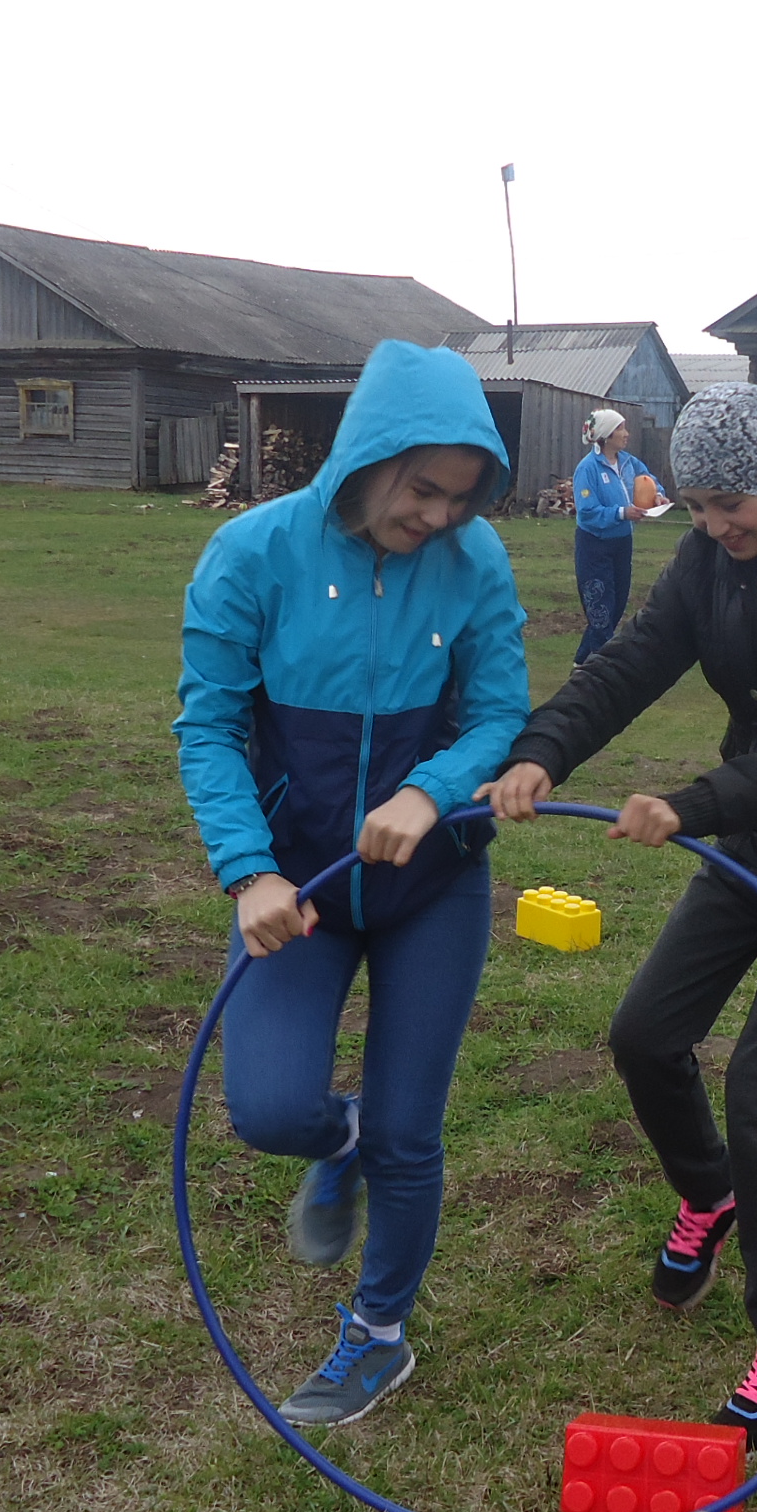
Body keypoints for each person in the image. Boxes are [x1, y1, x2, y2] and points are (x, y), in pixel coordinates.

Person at [482, 381, 757, 1447]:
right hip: (754, 836)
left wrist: (693, 804)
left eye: (732, 503)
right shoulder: (706, 559)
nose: (717, 525)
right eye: (701, 505)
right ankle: (710, 1195)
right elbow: (632, 662)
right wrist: (542, 750)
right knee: (645, 1035)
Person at [176, 340, 529, 1430]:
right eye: (421, 489)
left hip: (434, 889)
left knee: (410, 1136)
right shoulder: (252, 553)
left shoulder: (475, 560)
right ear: (367, 458)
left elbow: (499, 715)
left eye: (459, 497)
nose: (437, 516)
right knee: (270, 1108)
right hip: (303, 889)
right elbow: (209, 726)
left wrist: (433, 790)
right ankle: (340, 1142)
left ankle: (379, 1335)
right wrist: (250, 872)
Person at [571, 408, 664, 665]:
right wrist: (623, 513)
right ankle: (602, 671)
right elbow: (587, 512)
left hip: (622, 543)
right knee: (600, 609)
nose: (626, 434)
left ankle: (581, 664)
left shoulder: (628, 462)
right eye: (620, 429)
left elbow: (648, 480)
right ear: (605, 435)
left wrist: (658, 495)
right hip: (594, 545)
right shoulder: (587, 469)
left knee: (615, 607)